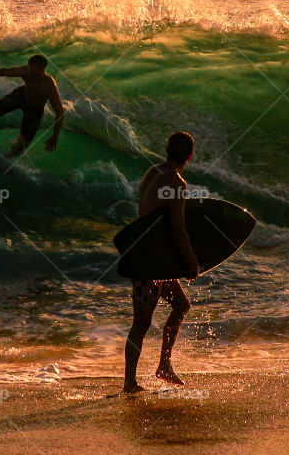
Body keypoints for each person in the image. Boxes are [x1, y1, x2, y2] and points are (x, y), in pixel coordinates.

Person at [123, 131, 199, 394]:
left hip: (150, 256)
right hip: (150, 262)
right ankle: (129, 382)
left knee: (180, 305)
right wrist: (191, 263)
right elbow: (178, 228)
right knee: (141, 322)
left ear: (166, 149)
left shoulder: (152, 172)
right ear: (190, 156)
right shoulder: (176, 183)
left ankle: (164, 365)